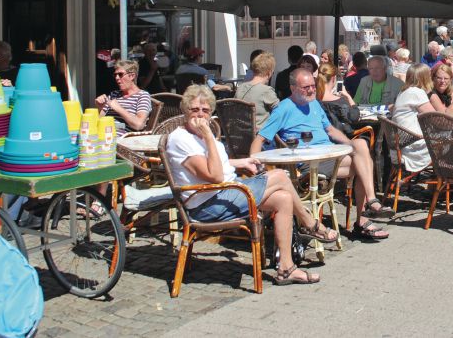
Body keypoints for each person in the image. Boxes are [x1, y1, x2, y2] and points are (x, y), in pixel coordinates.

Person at [165, 84, 336, 285]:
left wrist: (242, 162)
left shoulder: (199, 135)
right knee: (280, 175)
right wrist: (210, 137)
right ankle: (310, 223)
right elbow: (214, 175)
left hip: (227, 191)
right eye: (194, 110)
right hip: (208, 203)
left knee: (284, 199)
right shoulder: (181, 139)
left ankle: (286, 268)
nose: (200, 115)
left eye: (205, 110)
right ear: (185, 111)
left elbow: (218, 165)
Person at [250, 69, 393, 240]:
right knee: (364, 164)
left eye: (313, 86)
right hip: (309, 163)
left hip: (330, 157)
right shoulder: (283, 108)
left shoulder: (314, 104)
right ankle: (364, 217)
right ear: (293, 88)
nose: (311, 90)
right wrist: (254, 164)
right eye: (306, 87)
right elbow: (259, 139)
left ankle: (369, 203)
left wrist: (350, 146)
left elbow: (331, 130)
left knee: (360, 147)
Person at [391, 63, 437, 172]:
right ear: (425, 77)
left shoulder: (403, 91)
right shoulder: (417, 92)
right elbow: (435, 119)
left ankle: (438, 183)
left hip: (401, 145)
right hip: (413, 147)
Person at [95, 59, 152, 132]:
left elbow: (139, 124)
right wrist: (100, 107)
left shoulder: (142, 96)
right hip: (103, 133)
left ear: (132, 76)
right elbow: (100, 119)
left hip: (121, 139)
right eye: (115, 75)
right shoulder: (114, 94)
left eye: (120, 74)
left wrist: (118, 108)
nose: (117, 78)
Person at [234, 52, 280, 130]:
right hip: (260, 138)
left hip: (239, 135)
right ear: (269, 73)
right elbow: (280, 112)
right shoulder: (266, 91)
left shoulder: (240, 88)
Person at [317, 63, 359, 135]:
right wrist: (348, 96)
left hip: (321, 138)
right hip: (342, 141)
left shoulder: (314, 101)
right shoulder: (341, 101)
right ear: (333, 78)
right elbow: (354, 117)